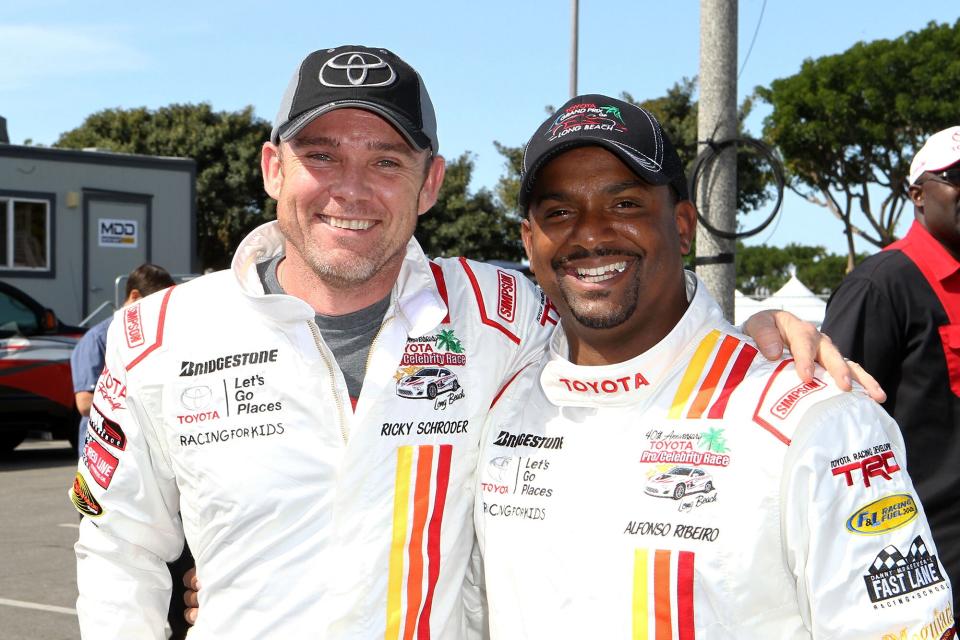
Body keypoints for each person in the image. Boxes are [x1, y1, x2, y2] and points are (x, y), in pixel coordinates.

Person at [72, 46, 876, 639]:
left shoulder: (500, 314)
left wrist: (756, 337)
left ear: (430, 183)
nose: (352, 187)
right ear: (273, 168)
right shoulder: (158, 335)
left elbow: (629, 314)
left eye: (386, 160)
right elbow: (118, 552)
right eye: (322, 155)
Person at [474, 95, 954, 638]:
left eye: (625, 204)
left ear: (682, 226)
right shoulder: (499, 406)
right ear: (528, 241)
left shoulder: (818, 419)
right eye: (558, 213)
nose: (590, 233)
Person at [822, 125, 960, 624]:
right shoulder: (880, 286)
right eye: (957, 177)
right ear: (918, 194)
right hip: (928, 559)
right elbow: (836, 431)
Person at [70, 263, 175, 448]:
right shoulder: (97, 339)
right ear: (134, 297)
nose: (161, 312)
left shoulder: (157, 338)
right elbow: (85, 404)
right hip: (105, 452)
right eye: (156, 305)